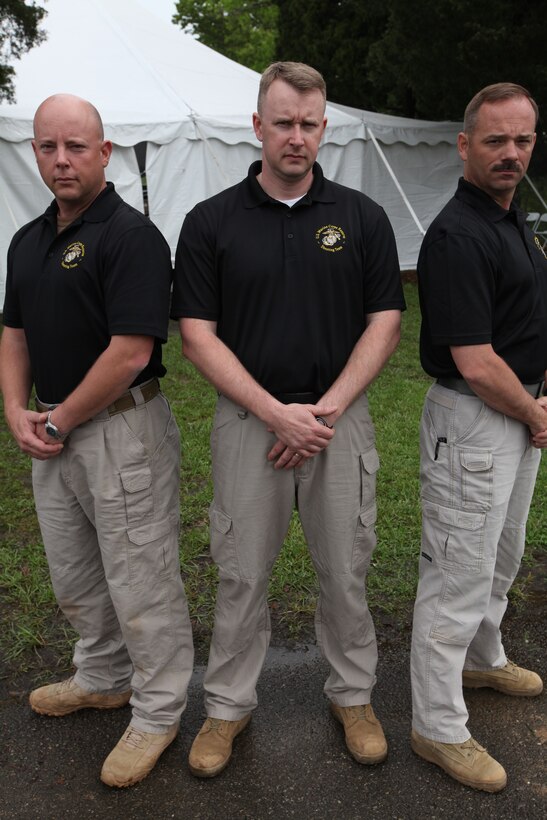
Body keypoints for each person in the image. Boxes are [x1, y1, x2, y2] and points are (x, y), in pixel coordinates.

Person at [171, 61, 405, 777]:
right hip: (250, 425)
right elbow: (196, 333)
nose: (296, 137)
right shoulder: (210, 221)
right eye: (283, 123)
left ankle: (353, 697)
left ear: (322, 128)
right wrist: (275, 413)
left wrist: (323, 411)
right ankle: (227, 709)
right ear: (257, 127)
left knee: (345, 569)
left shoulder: (361, 219)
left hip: (338, 423)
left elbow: (385, 319)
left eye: (308, 124)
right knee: (240, 572)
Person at [0, 94, 194, 788]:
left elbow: (131, 351)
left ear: (104, 152)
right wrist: (17, 410)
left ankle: (158, 711)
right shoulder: (28, 239)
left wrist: (58, 420)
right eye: (48, 146)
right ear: (35, 153)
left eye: (76, 146)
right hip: (53, 429)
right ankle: (105, 676)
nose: (61, 159)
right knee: (76, 575)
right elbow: (14, 333)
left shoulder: (131, 236)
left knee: (141, 579)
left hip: (120, 432)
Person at [411, 83, 546, 793]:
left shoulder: (509, 217)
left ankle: (482, 658)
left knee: (500, 554)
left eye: (522, 139)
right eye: (495, 140)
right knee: (456, 575)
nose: (510, 153)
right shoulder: (457, 235)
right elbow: (474, 358)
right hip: (475, 419)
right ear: (463, 145)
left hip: (515, 415)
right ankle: (435, 725)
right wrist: (532, 411)